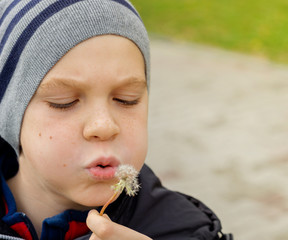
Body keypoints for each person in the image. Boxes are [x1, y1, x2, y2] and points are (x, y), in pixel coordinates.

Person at [0, 0, 233, 239]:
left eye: (126, 99)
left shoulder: (189, 231)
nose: (104, 126)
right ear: (9, 112)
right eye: (64, 101)